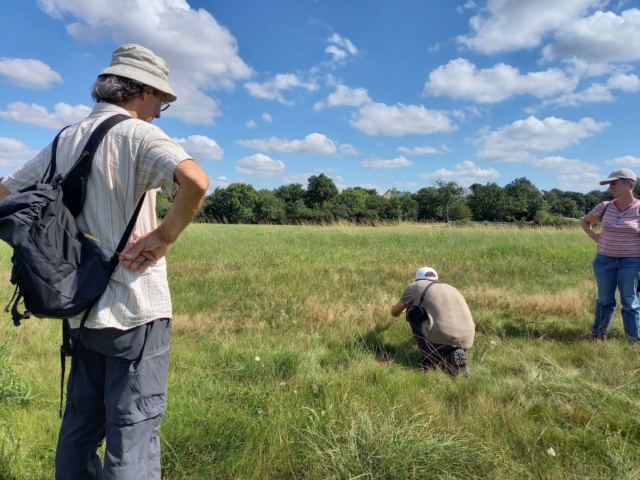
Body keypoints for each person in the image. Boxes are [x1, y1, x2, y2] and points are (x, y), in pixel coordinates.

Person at [0, 44, 209, 479]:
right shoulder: (139, 135)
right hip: (135, 309)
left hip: (80, 308)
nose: (158, 113)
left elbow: (6, 193)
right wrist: (164, 236)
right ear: (145, 91)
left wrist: (42, 247)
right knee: (131, 436)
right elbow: (194, 181)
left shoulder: (65, 138)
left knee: (78, 430)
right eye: (161, 103)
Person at [581, 168, 640, 343]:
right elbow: (585, 221)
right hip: (604, 261)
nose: (609, 187)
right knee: (605, 299)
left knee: (630, 301)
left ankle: (634, 340)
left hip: (632, 262)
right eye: (609, 184)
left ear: (628, 183)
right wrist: (594, 236)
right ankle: (598, 335)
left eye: (613, 183)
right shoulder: (605, 206)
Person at [391, 267, 475, 377]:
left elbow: (394, 312)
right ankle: (450, 358)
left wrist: (405, 310)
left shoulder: (415, 286)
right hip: (467, 337)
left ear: (417, 279)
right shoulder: (451, 288)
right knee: (438, 323)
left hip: (440, 333)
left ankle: (429, 360)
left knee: (412, 313)